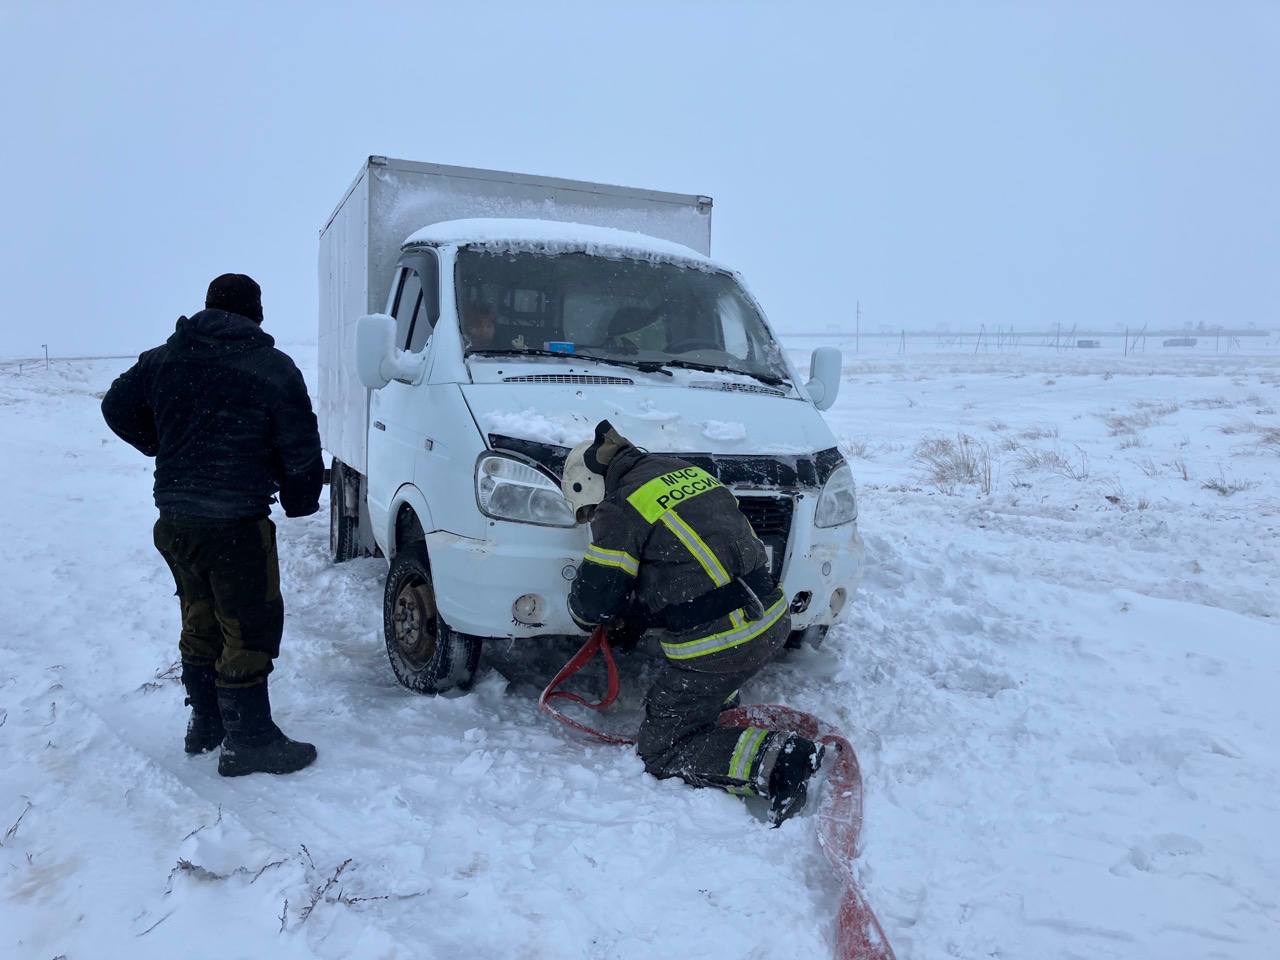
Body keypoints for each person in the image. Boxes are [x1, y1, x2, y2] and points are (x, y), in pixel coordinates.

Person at [101, 273, 323, 777]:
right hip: (235, 523)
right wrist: (299, 500)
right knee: (249, 624)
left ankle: (205, 724)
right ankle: (249, 740)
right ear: (256, 314)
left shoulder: (164, 358)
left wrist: (159, 443)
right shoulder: (271, 368)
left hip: (176, 520)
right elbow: (300, 445)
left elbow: (115, 407)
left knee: (199, 617)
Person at [562, 420, 824, 825]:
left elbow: (591, 605)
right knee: (704, 689)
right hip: (771, 620)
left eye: (589, 511)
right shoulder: (683, 471)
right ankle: (715, 702)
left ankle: (779, 760)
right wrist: (639, 614)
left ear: (588, 486)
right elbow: (693, 563)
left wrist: (596, 613)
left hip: (724, 644)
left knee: (661, 749)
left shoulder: (620, 508)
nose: (595, 518)